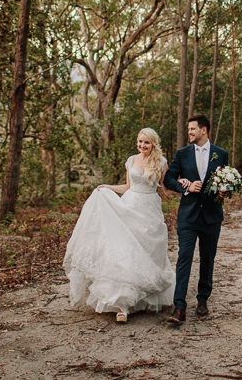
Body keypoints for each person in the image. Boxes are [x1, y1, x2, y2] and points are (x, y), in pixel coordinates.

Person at [62, 128, 174, 323]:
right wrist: (107, 188)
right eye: (140, 141)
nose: (142, 145)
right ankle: (123, 304)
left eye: (146, 142)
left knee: (148, 253)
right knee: (126, 252)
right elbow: (127, 187)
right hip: (129, 207)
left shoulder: (162, 163)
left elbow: (165, 188)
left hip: (149, 211)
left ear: (153, 143)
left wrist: (183, 188)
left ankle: (144, 299)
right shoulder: (131, 160)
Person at [163, 114, 228, 325]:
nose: (189, 132)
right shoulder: (182, 154)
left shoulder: (221, 154)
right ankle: (179, 307)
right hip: (188, 217)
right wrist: (186, 186)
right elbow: (168, 179)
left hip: (211, 216)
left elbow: (227, 182)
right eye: (189, 129)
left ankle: (202, 300)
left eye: (192, 129)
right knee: (184, 258)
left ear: (204, 130)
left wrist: (225, 192)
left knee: (208, 259)